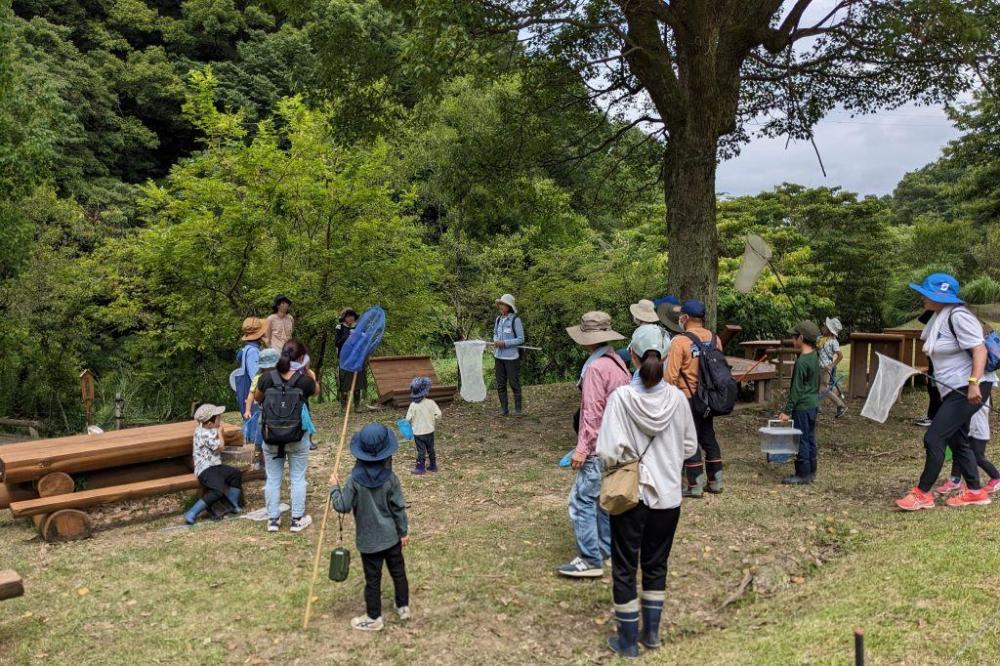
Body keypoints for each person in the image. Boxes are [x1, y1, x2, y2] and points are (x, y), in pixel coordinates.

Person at [596, 326, 698, 658]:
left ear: (634, 357)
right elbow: (689, 446)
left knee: (625, 566)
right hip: (668, 497)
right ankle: (651, 634)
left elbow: (607, 451)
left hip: (630, 496)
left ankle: (627, 642)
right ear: (666, 358)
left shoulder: (620, 399)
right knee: (656, 564)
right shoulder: (678, 400)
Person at [896, 273, 993, 510]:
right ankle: (976, 492)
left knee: (934, 437)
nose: (922, 297)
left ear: (940, 295)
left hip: (967, 387)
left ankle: (922, 494)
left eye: (926, 293)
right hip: (953, 388)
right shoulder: (940, 316)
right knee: (957, 440)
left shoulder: (959, 316)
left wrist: (973, 383)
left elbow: (980, 350)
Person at [557, 311, 630, 579]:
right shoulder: (617, 362)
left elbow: (592, 412)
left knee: (580, 500)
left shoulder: (596, 368)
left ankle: (589, 559)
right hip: (616, 443)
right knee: (601, 499)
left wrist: (581, 449)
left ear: (588, 339)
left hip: (599, 445)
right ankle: (605, 548)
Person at [330, 423, 410, 632]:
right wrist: (403, 532)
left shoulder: (354, 480)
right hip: (391, 538)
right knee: (398, 572)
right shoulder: (391, 479)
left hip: (369, 542)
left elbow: (342, 505)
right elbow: (399, 508)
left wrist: (333, 488)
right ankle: (403, 606)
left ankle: (374, 617)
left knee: (373, 580)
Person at [254, 339, 317, 532]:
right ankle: (297, 520)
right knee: (298, 477)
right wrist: (308, 372)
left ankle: (273, 520)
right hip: (298, 436)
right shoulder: (304, 381)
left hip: (271, 435)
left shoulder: (266, 378)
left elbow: (258, 398)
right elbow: (316, 390)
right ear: (301, 358)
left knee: (273, 478)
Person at [665, 300, 723, 497]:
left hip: (687, 398)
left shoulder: (680, 342)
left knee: (689, 439)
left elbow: (670, 377)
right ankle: (715, 482)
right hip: (709, 398)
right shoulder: (715, 339)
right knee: (708, 435)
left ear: (685, 318)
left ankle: (695, 485)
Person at [936, 381, 1000, 495]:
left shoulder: (979, 394)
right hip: (969, 430)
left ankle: (996, 477)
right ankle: (955, 479)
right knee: (959, 451)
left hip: (978, 432)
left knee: (977, 456)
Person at [778, 321, 822, 485]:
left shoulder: (802, 361)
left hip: (802, 407)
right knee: (810, 438)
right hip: (813, 405)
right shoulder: (814, 356)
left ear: (801, 338)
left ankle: (802, 474)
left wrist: (787, 411)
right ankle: (811, 471)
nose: (792, 339)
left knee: (801, 439)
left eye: (793, 336)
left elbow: (795, 391)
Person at [184, 404, 242, 524]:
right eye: (218, 417)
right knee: (217, 491)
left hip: (216, 465)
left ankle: (232, 503)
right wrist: (220, 433)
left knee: (235, 474)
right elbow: (220, 447)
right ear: (209, 423)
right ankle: (192, 512)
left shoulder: (207, 428)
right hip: (205, 469)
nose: (220, 418)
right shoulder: (204, 433)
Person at [243, 348, 280, 470]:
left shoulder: (281, 377)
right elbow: (251, 395)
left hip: (279, 412)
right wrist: (247, 410)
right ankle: (259, 459)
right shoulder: (258, 378)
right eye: (267, 368)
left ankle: (275, 459)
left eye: (272, 368)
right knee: (259, 434)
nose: (269, 370)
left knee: (276, 437)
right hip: (264, 412)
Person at [233, 317, 268, 442]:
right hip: (252, 391)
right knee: (255, 419)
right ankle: (256, 450)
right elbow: (256, 377)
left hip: (247, 389)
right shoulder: (253, 351)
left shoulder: (246, 349)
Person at [493, 293, 525, 416]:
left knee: (514, 383)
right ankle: (504, 409)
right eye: (500, 304)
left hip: (511, 358)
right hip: (498, 357)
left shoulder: (515, 320)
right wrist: (496, 340)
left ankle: (518, 410)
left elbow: (521, 339)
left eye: (503, 304)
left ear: (509, 306)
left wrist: (505, 343)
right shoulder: (498, 319)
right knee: (500, 384)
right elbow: (495, 333)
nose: (501, 306)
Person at [405, 376, 441, 475]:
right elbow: (439, 414)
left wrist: (407, 426)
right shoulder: (431, 403)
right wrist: (433, 420)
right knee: (431, 448)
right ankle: (433, 465)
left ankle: (420, 468)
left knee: (421, 450)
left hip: (418, 432)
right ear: (426, 390)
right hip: (429, 431)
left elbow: (407, 419)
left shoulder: (413, 405)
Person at [335, 308, 367, 408]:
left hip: (357, 358)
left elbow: (364, 342)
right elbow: (337, 343)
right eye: (348, 316)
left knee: (357, 381)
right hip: (345, 359)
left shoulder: (359, 327)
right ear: (344, 317)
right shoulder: (339, 327)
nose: (350, 318)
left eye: (352, 316)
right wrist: (348, 336)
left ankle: (357, 405)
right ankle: (344, 406)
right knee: (345, 381)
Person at [916, 309, 941, 427]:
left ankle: (934, 417)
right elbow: (922, 319)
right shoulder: (936, 312)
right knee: (932, 386)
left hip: (939, 359)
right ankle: (933, 415)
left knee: (935, 387)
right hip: (934, 356)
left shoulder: (947, 312)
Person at [818, 317, 847, 418]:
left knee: (823, 389)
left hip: (825, 369)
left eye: (825, 326)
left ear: (829, 330)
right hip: (817, 367)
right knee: (815, 387)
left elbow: (840, 356)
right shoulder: (820, 338)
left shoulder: (833, 341)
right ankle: (816, 407)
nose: (822, 327)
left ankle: (840, 404)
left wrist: (831, 365)